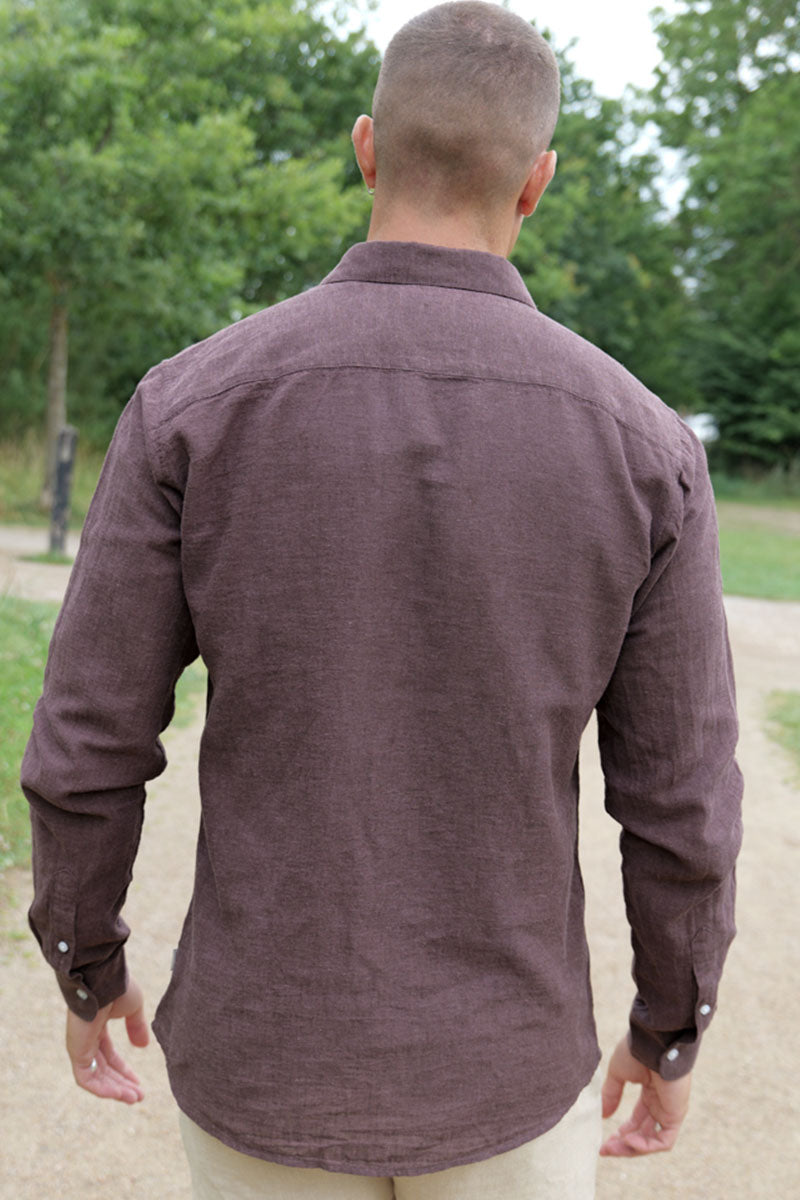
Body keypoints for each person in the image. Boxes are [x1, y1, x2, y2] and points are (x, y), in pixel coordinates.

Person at [22, 3, 743, 1197]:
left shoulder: (191, 407)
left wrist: (85, 961)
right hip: (505, 1072)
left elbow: (86, 742)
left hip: (264, 1057)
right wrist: (670, 1027)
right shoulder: (643, 446)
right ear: (537, 181)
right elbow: (681, 800)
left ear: (366, 148)